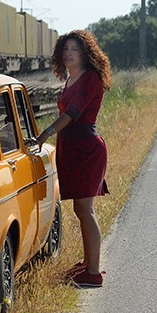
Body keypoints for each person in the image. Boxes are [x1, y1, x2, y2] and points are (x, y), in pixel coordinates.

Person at [36, 29, 112, 288]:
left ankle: (93, 272)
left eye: (75, 49)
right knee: (81, 210)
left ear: (86, 54)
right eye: (65, 49)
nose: (69, 53)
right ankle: (88, 263)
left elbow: (73, 113)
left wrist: (45, 133)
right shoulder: (72, 79)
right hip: (74, 148)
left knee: (85, 210)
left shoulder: (89, 78)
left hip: (87, 150)